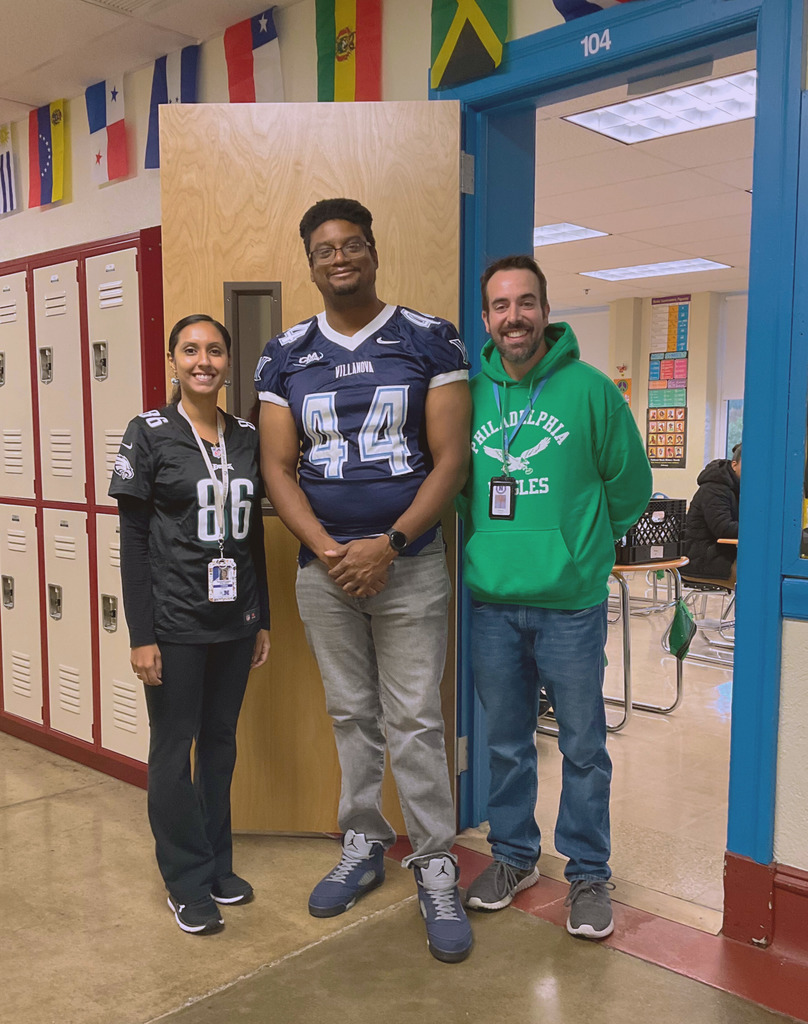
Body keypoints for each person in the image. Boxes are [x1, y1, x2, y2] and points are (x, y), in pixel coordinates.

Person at [255, 198, 473, 964]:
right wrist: (329, 548)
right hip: (324, 569)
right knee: (351, 713)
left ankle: (436, 861)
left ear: (373, 252)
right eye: (324, 249)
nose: (339, 258)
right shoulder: (284, 353)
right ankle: (362, 844)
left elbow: (452, 459)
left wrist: (390, 542)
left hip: (409, 565)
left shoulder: (428, 337)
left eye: (352, 245)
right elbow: (277, 468)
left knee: (413, 716)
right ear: (310, 263)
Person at [457, 255, 652, 939]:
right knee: (507, 743)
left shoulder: (592, 392)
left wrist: (582, 549)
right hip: (493, 604)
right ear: (486, 319)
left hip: (570, 604)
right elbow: (459, 488)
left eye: (526, 303)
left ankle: (589, 873)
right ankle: (513, 855)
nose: (515, 317)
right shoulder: (468, 397)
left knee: (583, 746)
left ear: (545, 309)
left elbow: (629, 487)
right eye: (501, 306)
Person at [109, 314, 271, 936]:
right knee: (175, 749)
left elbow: (252, 533)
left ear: (229, 362)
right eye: (191, 350)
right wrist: (141, 634)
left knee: (221, 743)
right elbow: (132, 538)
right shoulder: (149, 432)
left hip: (235, 619)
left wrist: (261, 618)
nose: (203, 360)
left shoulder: (247, 436)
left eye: (215, 350)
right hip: (174, 623)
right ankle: (184, 878)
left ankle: (216, 863)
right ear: (173, 360)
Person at [683, 443, 741, 587]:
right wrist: (760, 529)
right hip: (701, 559)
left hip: (720, 555)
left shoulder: (736, 488)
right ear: (734, 465)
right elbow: (724, 528)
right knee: (758, 577)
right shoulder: (715, 488)